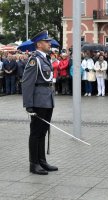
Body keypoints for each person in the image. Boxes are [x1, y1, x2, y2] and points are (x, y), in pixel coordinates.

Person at [22, 30, 58, 175]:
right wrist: (28, 104)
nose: (49, 43)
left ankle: (42, 161)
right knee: (36, 133)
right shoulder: (34, 60)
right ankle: (34, 164)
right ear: (39, 44)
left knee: (43, 132)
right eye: (46, 41)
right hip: (38, 101)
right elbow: (27, 83)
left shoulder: (45, 58)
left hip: (47, 100)